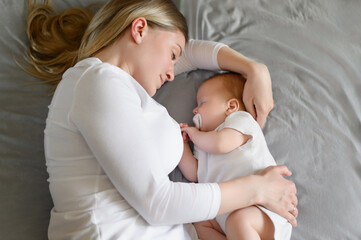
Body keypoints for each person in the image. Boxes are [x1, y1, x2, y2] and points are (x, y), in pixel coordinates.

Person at [23, 0, 297, 239]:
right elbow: (157, 202)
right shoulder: (96, 82)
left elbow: (190, 53)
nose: (170, 73)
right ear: (139, 29)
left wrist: (253, 69)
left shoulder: (121, 87)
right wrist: (257, 189)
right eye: (172, 55)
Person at [179, 73, 293, 240]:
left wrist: (195, 134)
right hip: (225, 213)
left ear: (231, 106)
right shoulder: (203, 144)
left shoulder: (240, 121)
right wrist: (182, 147)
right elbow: (194, 173)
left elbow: (220, 144)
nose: (195, 111)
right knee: (201, 223)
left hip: (259, 210)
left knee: (239, 220)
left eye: (202, 103)